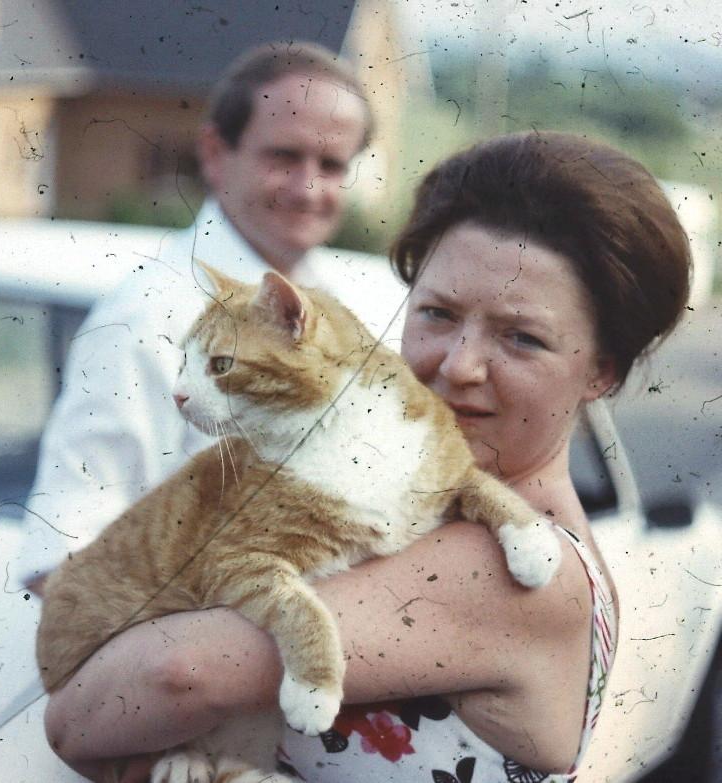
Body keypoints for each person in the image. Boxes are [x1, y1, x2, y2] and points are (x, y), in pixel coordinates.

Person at [43, 131, 691, 782]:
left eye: (521, 338)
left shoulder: (504, 566)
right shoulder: (423, 514)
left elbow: (154, 683)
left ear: (600, 372)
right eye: (437, 313)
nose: (459, 364)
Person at [11, 40, 396, 593]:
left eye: (332, 165)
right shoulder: (149, 315)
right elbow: (65, 552)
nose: (308, 188)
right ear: (215, 155)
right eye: (284, 156)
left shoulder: (358, 304)